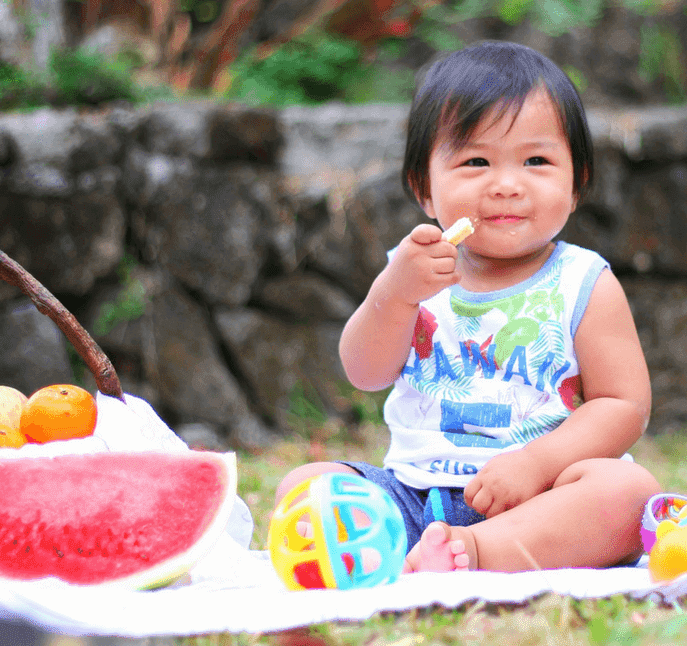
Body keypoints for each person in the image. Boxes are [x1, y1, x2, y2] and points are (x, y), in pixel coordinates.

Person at [275, 41, 660, 573]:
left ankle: (477, 552)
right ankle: (419, 549)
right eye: (476, 160)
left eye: (536, 160)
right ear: (424, 190)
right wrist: (393, 294)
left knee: (628, 491)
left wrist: (536, 463)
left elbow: (623, 404)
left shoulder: (583, 282)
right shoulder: (413, 271)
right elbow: (364, 372)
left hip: (541, 497)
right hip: (412, 495)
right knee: (305, 486)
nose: (506, 185)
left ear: (576, 185)